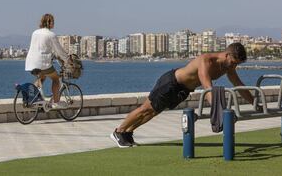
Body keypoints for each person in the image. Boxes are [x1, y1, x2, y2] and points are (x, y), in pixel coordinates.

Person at [110, 42, 256, 148]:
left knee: (153, 112)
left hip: (183, 91)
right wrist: (219, 112)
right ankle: (119, 131)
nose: (233, 66)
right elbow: (207, 88)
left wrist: (255, 103)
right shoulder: (206, 60)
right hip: (171, 83)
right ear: (227, 54)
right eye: (233, 62)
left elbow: (239, 86)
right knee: (145, 109)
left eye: (236, 64)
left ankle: (127, 134)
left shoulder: (227, 67)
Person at [25, 14, 69, 109]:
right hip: (42, 63)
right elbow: (59, 50)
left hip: (31, 62)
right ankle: (56, 102)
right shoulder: (51, 35)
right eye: (53, 21)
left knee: (41, 78)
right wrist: (67, 59)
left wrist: (52, 54)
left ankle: (31, 97)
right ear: (50, 23)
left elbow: (41, 47)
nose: (54, 24)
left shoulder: (35, 32)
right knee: (56, 79)